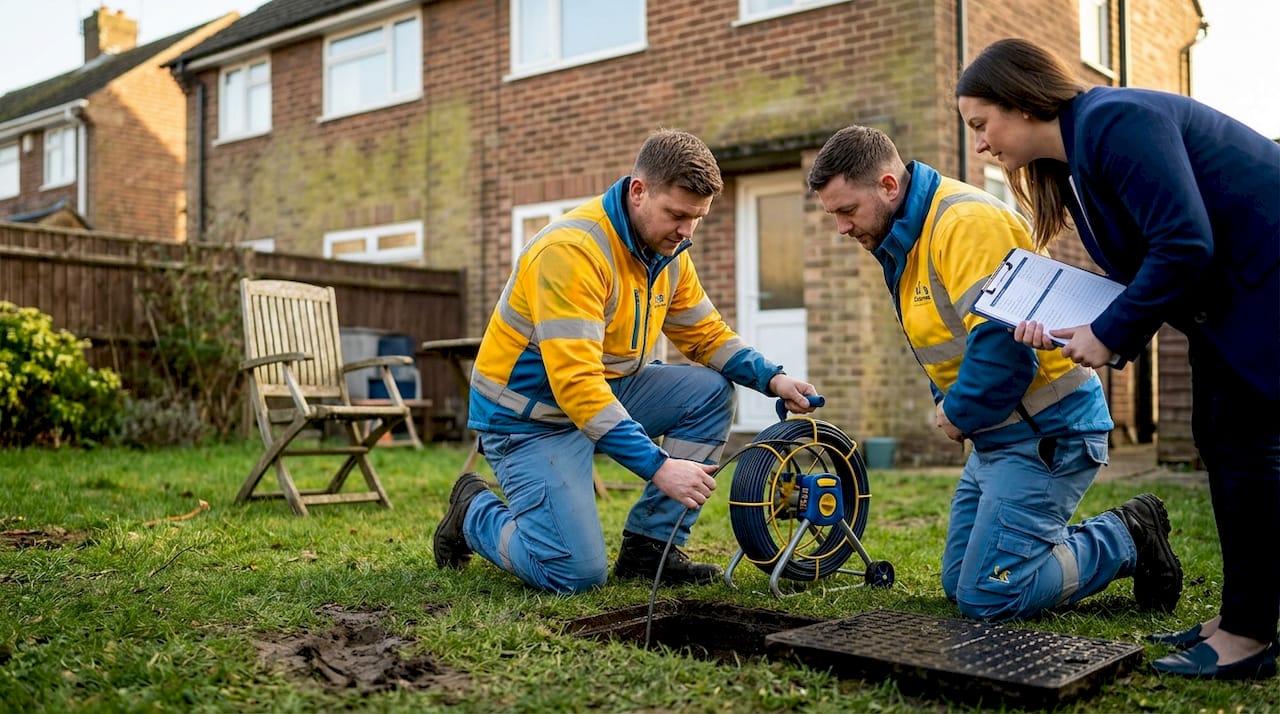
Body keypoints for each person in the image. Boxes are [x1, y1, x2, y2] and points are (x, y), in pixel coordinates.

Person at [956, 37, 1280, 681]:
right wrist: (1083, 325)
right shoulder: (1077, 164)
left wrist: (1108, 334)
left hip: (1263, 284)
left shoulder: (1115, 119)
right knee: (1218, 439)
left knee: (1247, 451)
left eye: (981, 124)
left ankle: (1250, 634)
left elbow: (1184, 242)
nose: (981, 144)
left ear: (1020, 102)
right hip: (1230, 304)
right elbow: (1151, 266)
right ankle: (1243, 616)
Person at [807, 124, 1183, 624]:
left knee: (990, 596)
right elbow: (945, 336)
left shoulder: (963, 223)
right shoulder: (907, 236)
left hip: (1047, 432)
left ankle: (1127, 534)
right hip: (1000, 436)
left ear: (888, 186)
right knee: (958, 582)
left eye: (846, 211)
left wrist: (957, 414)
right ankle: (1055, 549)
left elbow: (1005, 352)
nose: (842, 228)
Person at [433, 128, 819, 595]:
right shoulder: (571, 253)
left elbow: (704, 333)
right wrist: (660, 466)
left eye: (696, 219)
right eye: (676, 214)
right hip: (529, 419)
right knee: (573, 575)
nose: (685, 231)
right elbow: (576, 385)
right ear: (638, 191)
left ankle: (651, 549)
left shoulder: (667, 251)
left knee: (710, 392)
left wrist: (772, 379)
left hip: (606, 392)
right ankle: (474, 510)